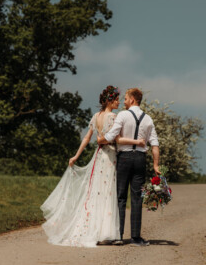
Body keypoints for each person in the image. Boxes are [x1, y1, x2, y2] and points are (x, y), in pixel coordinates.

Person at [40, 86, 145, 247]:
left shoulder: (96, 116)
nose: (119, 102)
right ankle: (106, 232)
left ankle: (97, 230)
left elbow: (86, 138)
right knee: (108, 193)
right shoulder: (112, 116)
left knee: (97, 193)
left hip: (98, 157)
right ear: (110, 100)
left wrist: (76, 156)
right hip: (110, 158)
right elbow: (117, 139)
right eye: (117, 99)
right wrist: (137, 142)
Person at [98, 87, 160, 247]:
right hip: (140, 158)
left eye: (125, 99)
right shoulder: (148, 119)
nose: (124, 102)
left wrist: (101, 139)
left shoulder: (123, 115)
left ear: (132, 99)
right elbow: (155, 144)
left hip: (124, 158)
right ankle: (136, 237)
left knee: (121, 196)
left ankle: (118, 235)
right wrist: (156, 165)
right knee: (137, 197)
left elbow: (112, 136)